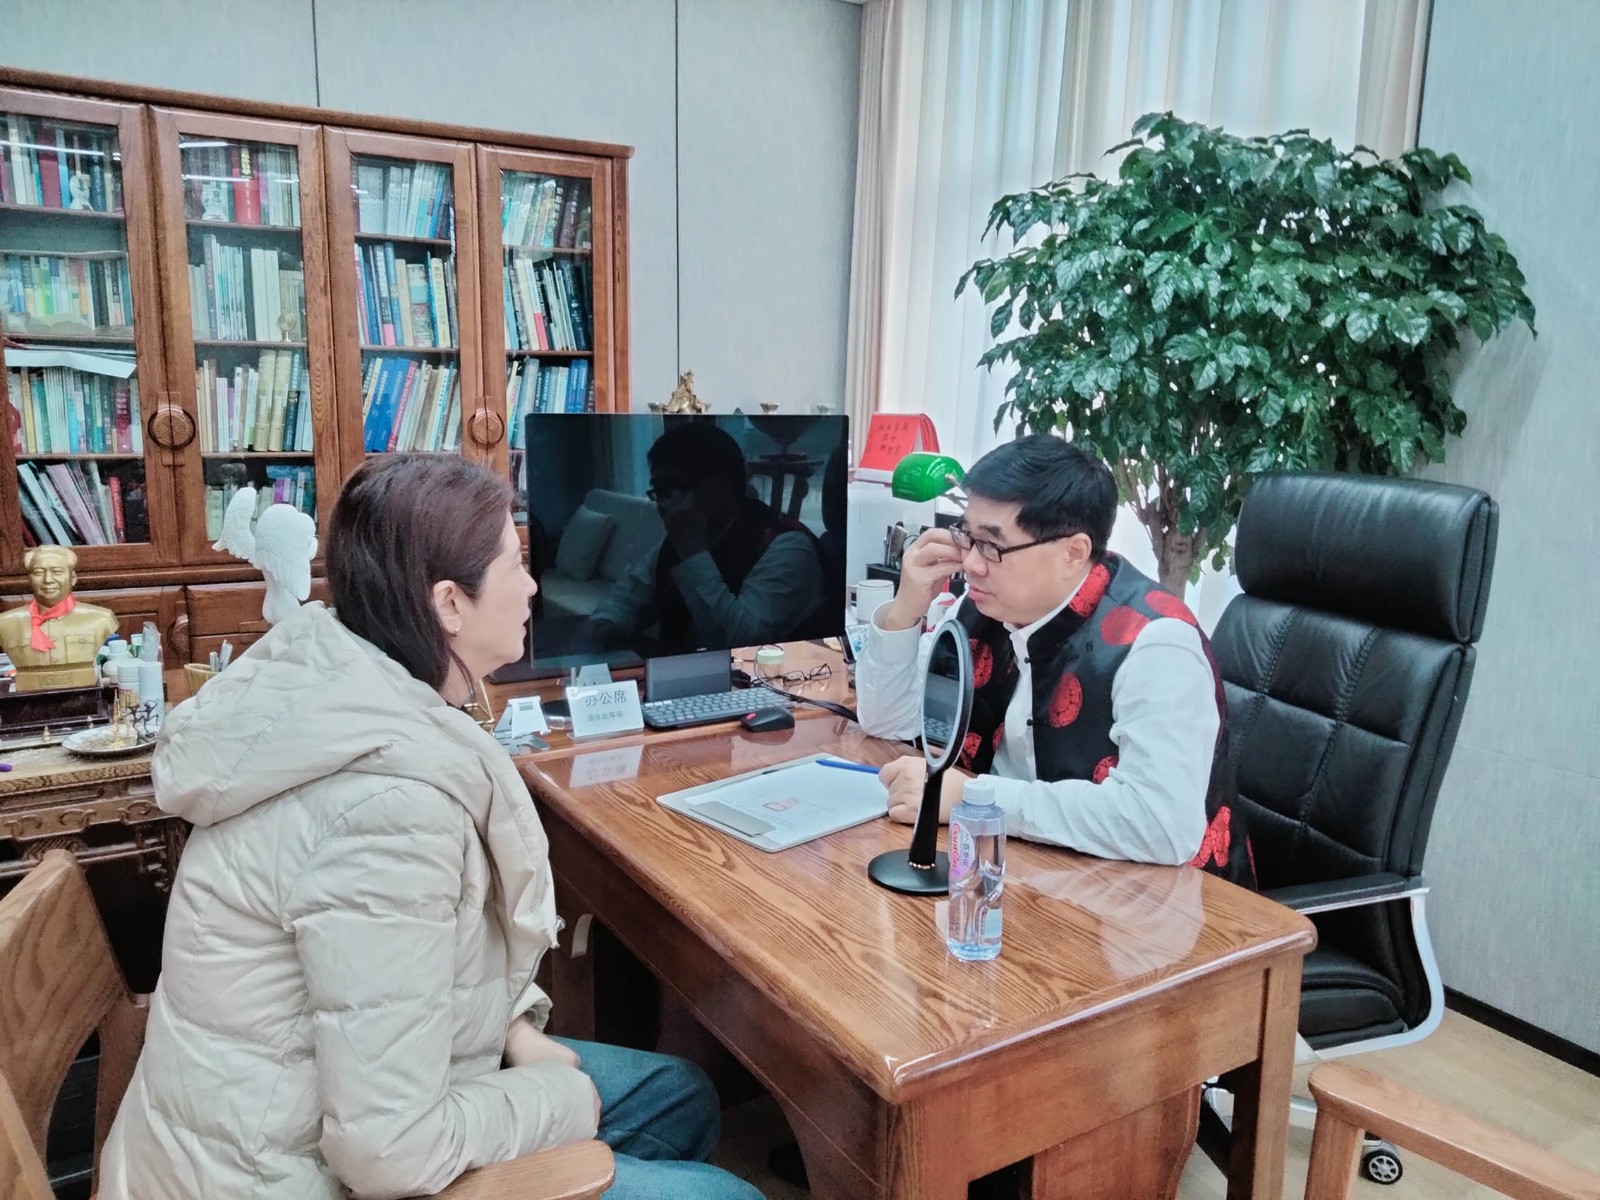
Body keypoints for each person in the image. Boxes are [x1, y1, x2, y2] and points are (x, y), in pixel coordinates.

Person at [100, 455, 762, 1200]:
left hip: (312, 1099)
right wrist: (561, 1098)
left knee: (681, 1096)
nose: (534, 587)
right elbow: (389, 1154)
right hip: (283, 1172)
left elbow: (403, 961)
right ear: (449, 602)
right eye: (516, 564)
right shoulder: (388, 813)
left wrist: (514, 1030)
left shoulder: (340, 690)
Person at [856, 434, 1254, 885]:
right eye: (967, 536)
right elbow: (888, 721)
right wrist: (905, 609)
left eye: (992, 546)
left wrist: (977, 798)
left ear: (1073, 552)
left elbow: (1161, 825)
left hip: (1153, 902)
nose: (970, 564)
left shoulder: (1156, 645)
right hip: (1021, 872)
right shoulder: (981, 609)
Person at [586, 420, 830, 653]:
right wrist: (606, 622)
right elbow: (628, 596)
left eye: (675, 489)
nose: (663, 504)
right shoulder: (674, 546)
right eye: (659, 491)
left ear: (722, 487)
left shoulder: (787, 548)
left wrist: (693, 552)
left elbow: (743, 646)